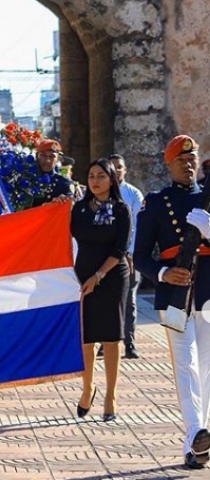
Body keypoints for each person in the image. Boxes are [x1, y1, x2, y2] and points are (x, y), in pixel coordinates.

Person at [134, 134, 210, 470]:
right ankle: (196, 430)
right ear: (170, 164)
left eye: (192, 158)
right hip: (174, 295)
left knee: (208, 368)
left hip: (208, 291)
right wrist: (164, 274)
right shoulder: (156, 201)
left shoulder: (208, 199)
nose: (189, 164)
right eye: (182, 159)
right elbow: (140, 257)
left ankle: (199, 442)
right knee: (185, 364)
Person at [70, 158, 131, 424]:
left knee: (111, 336)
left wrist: (99, 276)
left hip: (112, 275)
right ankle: (88, 388)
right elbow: (60, 233)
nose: (95, 181)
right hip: (83, 276)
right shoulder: (79, 209)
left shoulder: (121, 209)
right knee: (86, 336)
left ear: (112, 179)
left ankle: (111, 395)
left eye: (101, 176)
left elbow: (119, 250)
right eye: (91, 176)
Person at [107, 153, 144, 359]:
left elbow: (139, 227)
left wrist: (131, 253)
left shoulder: (133, 195)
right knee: (107, 300)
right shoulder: (101, 192)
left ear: (125, 170)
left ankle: (129, 343)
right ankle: (107, 341)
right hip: (105, 256)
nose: (116, 171)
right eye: (112, 167)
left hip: (128, 257)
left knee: (128, 301)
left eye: (119, 167)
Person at [32, 139, 76, 207]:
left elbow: (70, 203)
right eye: (43, 155)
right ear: (37, 156)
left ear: (58, 159)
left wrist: (61, 201)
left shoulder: (64, 182)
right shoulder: (27, 178)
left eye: (52, 156)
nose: (47, 161)